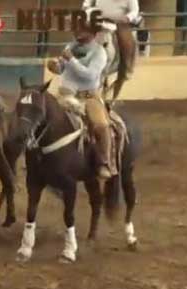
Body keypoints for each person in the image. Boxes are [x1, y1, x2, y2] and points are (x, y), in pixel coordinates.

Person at [48, 13, 115, 181]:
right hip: (66, 94)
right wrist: (55, 66)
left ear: (93, 32)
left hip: (89, 97)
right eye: (76, 28)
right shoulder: (69, 47)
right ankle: (39, 154)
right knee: (44, 115)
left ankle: (104, 162)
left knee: (100, 125)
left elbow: (90, 75)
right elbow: (61, 69)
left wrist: (71, 61)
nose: (77, 31)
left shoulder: (100, 52)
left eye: (82, 29)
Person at [83, 0, 140, 86]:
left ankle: (126, 68)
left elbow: (134, 10)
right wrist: (86, 8)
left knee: (127, 43)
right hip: (99, 22)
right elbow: (87, 2)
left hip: (119, 23)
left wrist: (128, 17)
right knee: (83, 37)